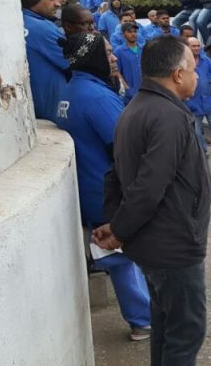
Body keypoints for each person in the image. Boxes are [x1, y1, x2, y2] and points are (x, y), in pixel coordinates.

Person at [93, 35, 211, 366]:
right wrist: (119, 228)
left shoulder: (137, 107)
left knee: (167, 327)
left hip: (157, 242)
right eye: (193, 69)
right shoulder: (166, 115)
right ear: (177, 74)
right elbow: (148, 186)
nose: (197, 76)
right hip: (172, 244)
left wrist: (116, 223)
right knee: (186, 330)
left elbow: (115, 175)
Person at [55, 32, 152, 341]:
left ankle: (143, 316)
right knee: (121, 256)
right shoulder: (96, 97)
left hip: (91, 188)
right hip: (106, 190)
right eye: (107, 52)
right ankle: (143, 319)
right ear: (91, 57)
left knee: (118, 255)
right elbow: (124, 147)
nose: (113, 57)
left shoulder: (72, 89)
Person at [21, 0, 69, 123]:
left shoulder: (21, 21)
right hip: (53, 113)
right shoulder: (42, 28)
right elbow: (74, 63)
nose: (58, 3)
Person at [113, 23, 144, 103]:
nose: (133, 34)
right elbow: (117, 72)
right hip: (130, 94)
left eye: (135, 31)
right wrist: (126, 87)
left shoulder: (144, 49)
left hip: (145, 90)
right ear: (123, 34)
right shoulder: (118, 52)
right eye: (130, 32)